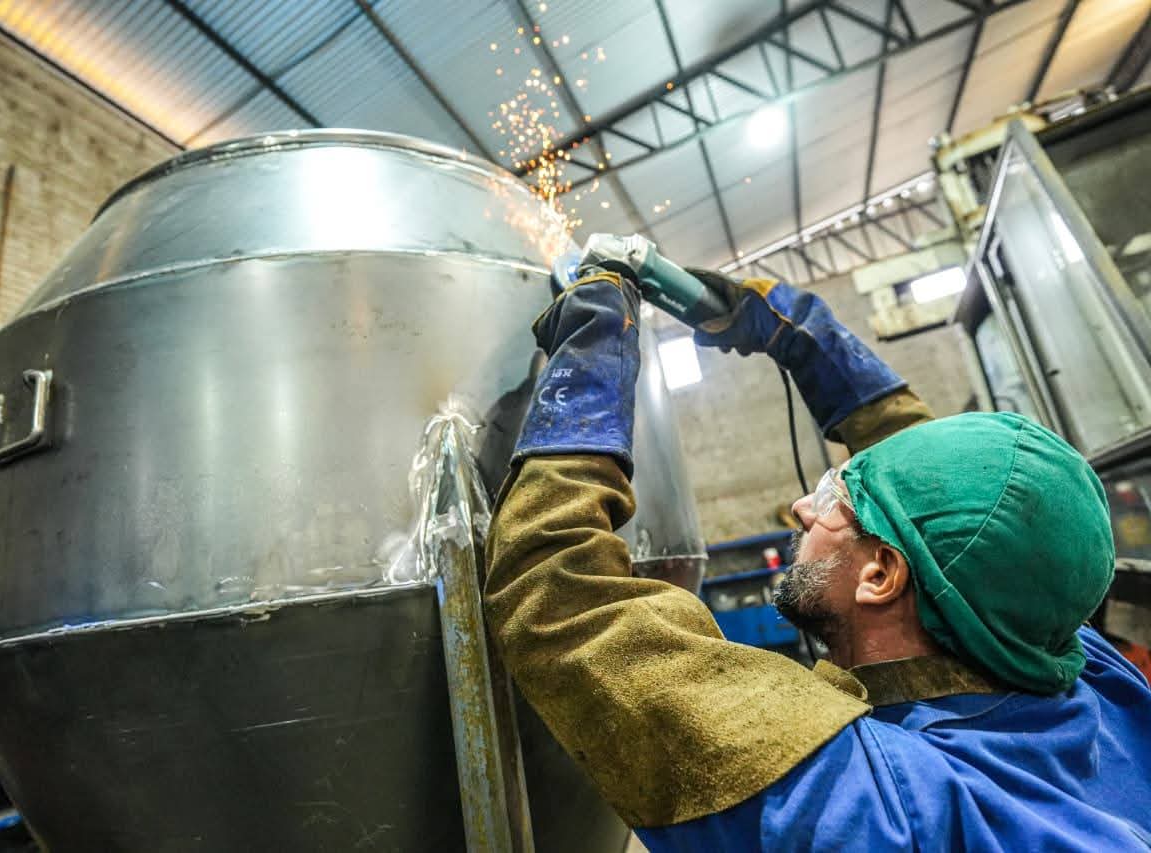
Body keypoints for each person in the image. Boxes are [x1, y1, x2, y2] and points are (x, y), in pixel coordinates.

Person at [482, 244, 1151, 850]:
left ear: (881, 574)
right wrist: (805, 337)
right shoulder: (1077, 664)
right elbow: (959, 506)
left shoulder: (880, 811)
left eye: (835, 498)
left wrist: (590, 363)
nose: (804, 507)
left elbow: (561, 598)